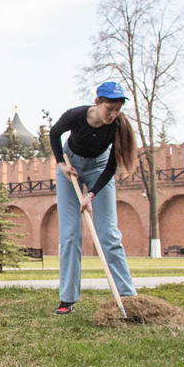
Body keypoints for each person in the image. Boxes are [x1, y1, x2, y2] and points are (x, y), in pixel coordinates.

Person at [50, 81, 138, 315]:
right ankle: (67, 299)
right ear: (97, 102)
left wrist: (91, 195)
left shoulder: (118, 126)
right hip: (70, 167)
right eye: (109, 108)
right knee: (70, 235)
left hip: (100, 168)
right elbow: (54, 133)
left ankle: (127, 296)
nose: (113, 114)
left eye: (117, 109)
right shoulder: (76, 115)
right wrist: (61, 163)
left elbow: (111, 168)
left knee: (109, 233)